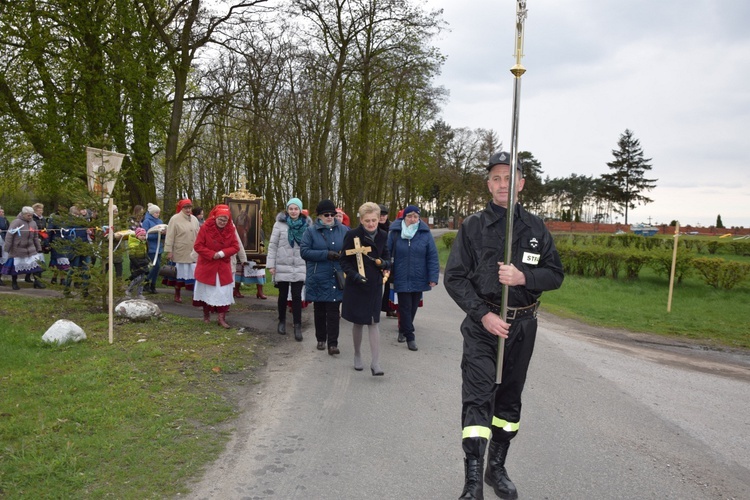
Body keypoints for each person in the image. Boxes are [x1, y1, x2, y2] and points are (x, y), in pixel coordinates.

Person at [444, 151, 564, 500]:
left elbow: (555, 275)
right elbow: (455, 277)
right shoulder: (473, 226)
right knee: (478, 400)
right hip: (484, 325)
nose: (502, 184)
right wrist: (483, 314)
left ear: (521, 184)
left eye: (509, 178)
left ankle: (496, 468)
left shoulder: (536, 228)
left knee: (508, 404)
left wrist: (524, 275)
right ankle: (472, 482)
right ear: (488, 184)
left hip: (522, 327)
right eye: (496, 178)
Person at [341, 202, 391, 375]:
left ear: (379, 219)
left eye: (374, 220)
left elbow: (387, 257)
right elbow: (344, 261)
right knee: (358, 321)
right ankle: (357, 354)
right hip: (357, 285)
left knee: (373, 322)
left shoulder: (384, 235)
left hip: (375, 284)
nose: (371, 224)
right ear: (361, 220)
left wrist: (384, 263)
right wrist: (354, 275)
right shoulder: (352, 235)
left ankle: (376, 363)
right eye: (367, 221)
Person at [387, 205, 439, 352]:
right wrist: (386, 269)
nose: (412, 219)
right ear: (404, 217)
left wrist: (433, 277)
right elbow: (386, 252)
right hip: (400, 275)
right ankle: (410, 337)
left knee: (414, 306)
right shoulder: (395, 233)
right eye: (409, 216)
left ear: (419, 218)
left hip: (419, 276)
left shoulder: (425, 233)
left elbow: (432, 257)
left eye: (415, 216)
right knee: (404, 306)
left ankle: (403, 329)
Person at [300, 199, 348, 354]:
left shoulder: (344, 230)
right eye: (326, 214)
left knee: (334, 311)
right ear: (319, 215)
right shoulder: (311, 231)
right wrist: (325, 254)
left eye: (332, 214)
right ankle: (321, 338)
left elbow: (351, 249)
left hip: (337, 275)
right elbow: (304, 252)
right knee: (320, 309)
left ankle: (333, 344)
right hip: (318, 275)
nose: (329, 217)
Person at [267, 198, 309, 341]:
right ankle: (282, 321)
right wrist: (271, 265)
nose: (293, 211)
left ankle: (297, 324)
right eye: (290, 208)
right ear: (287, 210)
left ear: (300, 210)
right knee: (283, 295)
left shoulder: (307, 225)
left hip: (299, 264)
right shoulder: (279, 224)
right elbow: (273, 245)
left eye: (296, 209)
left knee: (297, 296)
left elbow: (309, 246)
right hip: (282, 264)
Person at [192, 205, 240, 328]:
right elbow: (198, 246)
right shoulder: (205, 228)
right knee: (207, 290)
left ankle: (221, 318)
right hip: (208, 264)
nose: (223, 223)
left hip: (223, 265)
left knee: (223, 292)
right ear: (215, 217)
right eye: (220, 220)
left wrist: (223, 253)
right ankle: (206, 315)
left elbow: (235, 246)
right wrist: (212, 254)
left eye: (225, 220)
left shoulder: (231, 229)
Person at [163, 198, 200, 303]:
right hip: (180, 251)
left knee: (194, 273)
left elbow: (198, 235)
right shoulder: (175, 219)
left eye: (189, 207)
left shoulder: (194, 219)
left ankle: (195, 295)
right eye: (185, 208)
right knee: (180, 273)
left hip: (193, 251)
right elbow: (170, 236)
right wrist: (169, 250)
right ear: (181, 208)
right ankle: (177, 292)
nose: (188, 210)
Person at [1, 206, 45, 290]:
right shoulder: (16, 222)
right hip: (18, 249)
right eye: (28, 215)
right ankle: (14, 283)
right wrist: (7, 248)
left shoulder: (33, 223)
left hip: (31, 249)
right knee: (15, 267)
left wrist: (38, 248)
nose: (30, 217)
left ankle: (37, 281)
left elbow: (35, 236)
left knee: (37, 265)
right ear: (23, 214)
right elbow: (9, 236)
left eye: (31, 215)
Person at [141, 203, 165, 294]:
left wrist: (163, 234)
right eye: (156, 213)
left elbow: (162, 236)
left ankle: (152, 285)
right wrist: (157, 233)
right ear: (151, 213)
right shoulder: (147, 221)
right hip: (151, 247)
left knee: (157, 267)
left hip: (159, 247)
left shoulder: (160, 221)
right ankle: (146, 281)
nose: (157, 214)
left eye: (158, 213)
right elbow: (145, 235)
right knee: (156, 265)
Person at [378, 204, 397, 318]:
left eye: (384, 215)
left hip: (388, 257)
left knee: (390, 284)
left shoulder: (392, 227)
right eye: (380, 215)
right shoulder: (372, 225)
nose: (382, 217)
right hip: (375, 257)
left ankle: (389, 308)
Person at [125, 227, 149, 299]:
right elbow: (131, 256)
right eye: (141, 235)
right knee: (137, 278)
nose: (143, 237)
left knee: (142, 279)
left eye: (144, 235)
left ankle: (139, 293)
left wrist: (148, 261)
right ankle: (129, 290)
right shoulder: (133, 244)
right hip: (135, 264)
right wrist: (137, 264)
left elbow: (146, 253)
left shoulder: (144, 243)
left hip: (143, 263)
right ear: (137, 235)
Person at [0, 206, 9, 286]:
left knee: (4, 257)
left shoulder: (5, 220)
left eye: (2, 211)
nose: (1, 213)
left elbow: (8, 229)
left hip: (3, 240)